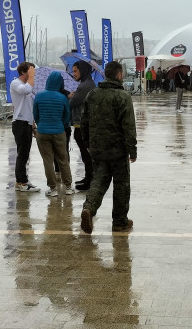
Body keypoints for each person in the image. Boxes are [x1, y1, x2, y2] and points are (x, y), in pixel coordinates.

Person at [80, 61, 137, 234]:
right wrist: (132, 150)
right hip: (118, 150)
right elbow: (129, 126)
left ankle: (89, 208)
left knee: (99, 181)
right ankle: (119, 221)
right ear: (119, 75)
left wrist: (87, 144)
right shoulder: (123, 97)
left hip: (98, 148)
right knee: (121, 185)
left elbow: (84, 122)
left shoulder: (92, 95)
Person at [34, 71, 74, 197]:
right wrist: (59, 124)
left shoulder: (39, 96)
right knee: (63, 159)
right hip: (58, 131)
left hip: (42, 132)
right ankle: (68, 187)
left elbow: (36, 114)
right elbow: (67, 116)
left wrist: (42, 124)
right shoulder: (62, 98)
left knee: (48, 161)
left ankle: (53, 189)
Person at [10, 61, 40, 192]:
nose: (33, 73)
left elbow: (29, 109)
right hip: (19, 123)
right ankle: (21, 182)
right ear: (23, 72)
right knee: (22, 154)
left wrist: (33, 126)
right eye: (30, 70)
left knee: (25, 154)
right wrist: (32, 77)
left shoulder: (27, 86)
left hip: (26, 123)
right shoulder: (16, 83)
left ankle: (22, 180)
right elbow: (25, 90)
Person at [69, 60, 96, 190]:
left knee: (86, 154)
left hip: (82, 125)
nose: (73, 74)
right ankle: (88, 177)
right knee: (85, 154)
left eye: (75, 71)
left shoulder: (84, 86)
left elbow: (73, 103)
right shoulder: (87, 84)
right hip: (83, 124)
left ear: (83, 71)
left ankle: (90, 180)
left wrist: (70, 96)